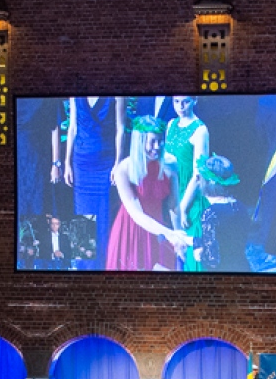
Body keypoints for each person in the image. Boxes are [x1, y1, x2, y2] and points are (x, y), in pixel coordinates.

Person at [104, 115, 193, 271]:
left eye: (160, 141)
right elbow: (137, 215)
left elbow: (174, 205)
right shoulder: (124, 170)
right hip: (131, 231)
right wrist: (170, 235)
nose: (157, 146)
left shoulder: (170, 163)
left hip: (158, 230)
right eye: (152, 141)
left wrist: (179, 234)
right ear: (139, 143)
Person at [64, 96, 126, 269]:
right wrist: (67, 163)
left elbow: (120, 129)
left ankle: (103, 269)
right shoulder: (76, 95)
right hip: (81, 165)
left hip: (105, 165)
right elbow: (73, 128)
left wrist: (117, 163)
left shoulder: (117, 95)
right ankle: (84, 270)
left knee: (103, 220)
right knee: (83, 220)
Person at [165, 96, 210, 271]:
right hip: (172, 193)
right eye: (176, 102)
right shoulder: (171, 125)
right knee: (177, 249)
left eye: (185, 101)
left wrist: (183, 208)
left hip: (190, 197)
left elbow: (199, 173)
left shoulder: (200, 130)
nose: (181, 106)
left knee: (193, 254)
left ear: (195, 100)